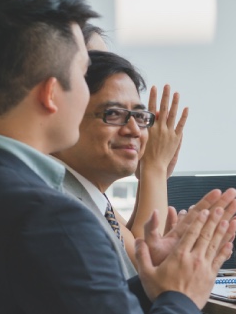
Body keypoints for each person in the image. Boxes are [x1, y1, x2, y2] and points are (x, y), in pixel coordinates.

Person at [0, 0, 236, 313]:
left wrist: (151, 285)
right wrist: (182, 297)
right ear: (51, 93)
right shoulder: (52, 217)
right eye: (83, 73)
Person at [54, 50, 187, 277]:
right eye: (114, 113)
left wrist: (153, 170)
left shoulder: (87, 193)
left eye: (139, 116)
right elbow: (141, 272)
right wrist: (154, 167)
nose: (134, 130)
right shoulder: (60, 200)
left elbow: (130, 250)